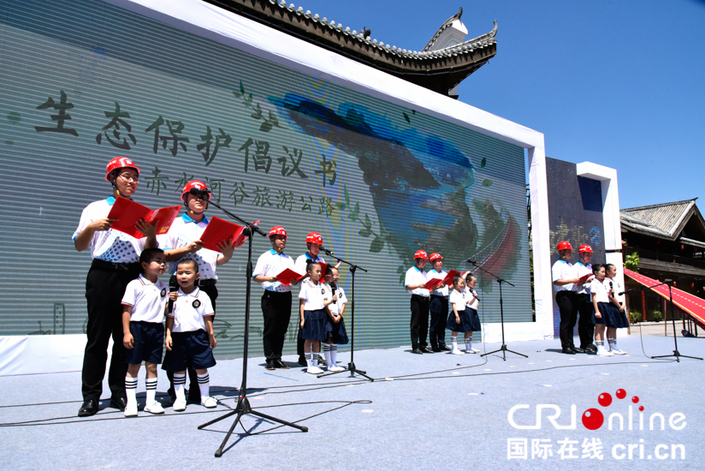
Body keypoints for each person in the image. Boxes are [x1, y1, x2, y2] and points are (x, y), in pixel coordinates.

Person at [73, 156, 157, 417]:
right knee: (97, 337)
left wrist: (151, 232)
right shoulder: (95, 208)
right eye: (125, 176)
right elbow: (79, 244)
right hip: (103, 274)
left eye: (135, 177)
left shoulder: (144, 213)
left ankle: (119, 392)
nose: (132, 181)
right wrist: (92, 227)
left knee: (125, 339)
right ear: (112, 179)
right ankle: (91, 396)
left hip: (132, 275)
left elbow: (150, 252)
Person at [161, 180, 234, 404]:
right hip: (181, 287)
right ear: (185, 198)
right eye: (194, 194)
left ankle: (198, 390)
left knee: (200, 337)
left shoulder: (213, 226)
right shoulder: (174, 225)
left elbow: (217, 260)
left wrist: (229, 252)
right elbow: (163, 255)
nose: (199, 198)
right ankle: (177, 390)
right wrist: (186, 249)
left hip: (207, 286)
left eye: (203, 195)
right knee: (179, 335)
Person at [163, 259, 218, 411]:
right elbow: (169, 317)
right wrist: (168, 334)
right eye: (180, 273)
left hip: (198, 337)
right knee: (178, 368)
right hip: (178, 337)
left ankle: (205, 396)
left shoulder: (203, 296)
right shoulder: (173, 296)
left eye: (188, 273)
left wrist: (211, 335)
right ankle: (180, 399)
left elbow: (207, 317)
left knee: (201, 367)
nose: (184, 276)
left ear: (197, 275)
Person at [121, 248, 169, 417]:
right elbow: (127, 310)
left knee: (152, 365)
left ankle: (150, 401)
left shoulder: (165, 287)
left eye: (164, 261)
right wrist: (127, 332)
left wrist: (172, 303)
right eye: (158, 261)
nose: (162, 264)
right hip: (137, 328)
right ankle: (132, 403)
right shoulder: (134, 285)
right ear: (145, 265)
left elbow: (165, 311)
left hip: (156, 329)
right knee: (133, 365)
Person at [253, 226, 297, 370]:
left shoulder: (289, 258)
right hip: (271, 295)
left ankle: (278, 357)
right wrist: (270, 278)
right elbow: (256, 277)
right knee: (271, 328)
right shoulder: (265, 256)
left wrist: (297, 279)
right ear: (271, 239)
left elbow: (293, 278)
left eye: (284, 238)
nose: (283, 240)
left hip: (286, 295)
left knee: (282, 328)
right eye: (279, 238)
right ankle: (270, 358)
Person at [294, 232, 326, 366]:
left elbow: (323, 276)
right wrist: (307, 274)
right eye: (315, 245)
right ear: (308, 244)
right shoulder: (301, 259)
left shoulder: (321, 260)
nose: (317, 248)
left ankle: (316, 355)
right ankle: (302, 356)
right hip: (307, 295)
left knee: (318, 326)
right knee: (306, 326)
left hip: (319, 295)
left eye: (319, 245)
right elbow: (296, 278)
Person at [298, 262, 335, 374]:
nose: (319, 274)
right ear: (309, 272)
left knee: (317, 339)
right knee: (309, 339)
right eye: (317, 271)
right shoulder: (305, 285)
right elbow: (302, 303)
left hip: (320, 314)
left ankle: (315, 364)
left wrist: (332, 300)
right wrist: (303, 318)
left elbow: (324, 302)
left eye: (320, 271)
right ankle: (309, 364)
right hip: (309, 314)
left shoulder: (322, 286)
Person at [552, 241, 583, 354]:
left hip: (572, 293)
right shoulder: (557, 265)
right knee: (566, 320)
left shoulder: (569, 265)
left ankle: (571, 344)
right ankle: (565, 345)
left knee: (572, 320)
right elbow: (556, 281)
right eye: (568, 251)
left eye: (570, 251)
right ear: (562, 252)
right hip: (564, 294)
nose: (570, 253)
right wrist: (572, 280)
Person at [405, 250, 432, 354]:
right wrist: (418, 285)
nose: (424, 263)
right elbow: (407, 286)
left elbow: (426, 287)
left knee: (424, 323)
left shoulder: (424, 273)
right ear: (417, 260)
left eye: (425, 261)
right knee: (415, 323)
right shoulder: (411, 271)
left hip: (425, 299)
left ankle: (423, 345)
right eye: (423, 260)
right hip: (417, 298)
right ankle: (415, 346)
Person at [323, 266, 348, 372]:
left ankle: (334, 363)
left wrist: (339, 316)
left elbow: (343, 303)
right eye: (333, 275)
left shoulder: (340, 289)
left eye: (337, 275)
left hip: (338, 317)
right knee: (328, 339)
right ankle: (329, 364)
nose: (336, 277)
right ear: (328, 276)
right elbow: (324, 304)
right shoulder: (324, 288)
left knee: (335, 340)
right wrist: (332, 316)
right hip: (328, 317)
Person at [574, 245, 597, 353]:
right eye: (587, 255)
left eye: (590, 255)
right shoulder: (576, 267)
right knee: (583, 320)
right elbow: (574, 283)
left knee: (590, 320)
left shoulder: (590, 267)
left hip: (589, 295)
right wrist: (585, 281)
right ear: (581, 255)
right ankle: (584, 343)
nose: (588, 257)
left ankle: (590, 342)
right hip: (580, 294)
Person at [427, 253, 451, 352]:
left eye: (441, 260)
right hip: (435, 299)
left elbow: (449, 287)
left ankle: (442, 343)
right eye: (438, 261)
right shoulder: (430, 274)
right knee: (435, 322)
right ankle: (434, 344)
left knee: (442, 322)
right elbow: (428, 289)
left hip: (445, 299)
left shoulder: (445, 274)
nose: (440, 262)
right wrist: (438, 286)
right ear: (433, 263)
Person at [590, 264, 613, 357]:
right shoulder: (594, 283)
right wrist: (597, 310)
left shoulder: (603, 282)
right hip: (599, 305)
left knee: (603, 326)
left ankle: (602, 346)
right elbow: (594, 297)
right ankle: (599, 348)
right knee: (599, 327)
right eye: (602, 272)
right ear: (596, 272)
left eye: (604, 272)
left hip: (605, 304)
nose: (604, 274)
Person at [604, 263, 628, 355]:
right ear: (608, 271)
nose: (615, 272)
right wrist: (618, 306)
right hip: (612, 305)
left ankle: (615, 345)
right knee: (611, 326)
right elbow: (611, 296)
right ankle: (612, 346)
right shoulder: (606, 282)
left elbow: (620, 294)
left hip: (619, 305)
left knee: (615, 327)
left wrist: (623, 304)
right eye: (614, 270)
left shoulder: (615, 282)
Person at [462, 273, 482, 353]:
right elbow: (462, 280)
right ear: (468, 281)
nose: (474, 284)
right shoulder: (465, 288)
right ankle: (467, 347)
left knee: (472, 329)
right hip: (468, 310)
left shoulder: (473, 290)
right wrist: (466, 273)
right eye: (473, 282)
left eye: (475, 282)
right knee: (468, 328)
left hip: (474, 310)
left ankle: (470, 346)